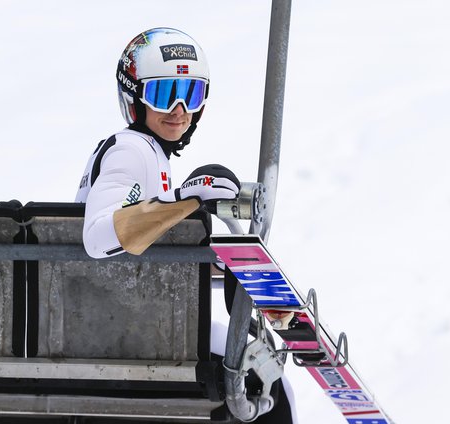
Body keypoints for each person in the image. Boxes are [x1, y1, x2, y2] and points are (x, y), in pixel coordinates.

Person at [75, 27, 296, 422]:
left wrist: (221, 262)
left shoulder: (148, 155)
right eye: (163, 94)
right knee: (273, 390)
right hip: (123, 331)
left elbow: (141, 245)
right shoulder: (130, 151)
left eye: (190, 94)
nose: (179, 109)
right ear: (133, 97)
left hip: (126, 319)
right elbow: (99, 238)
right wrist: (188, 198)